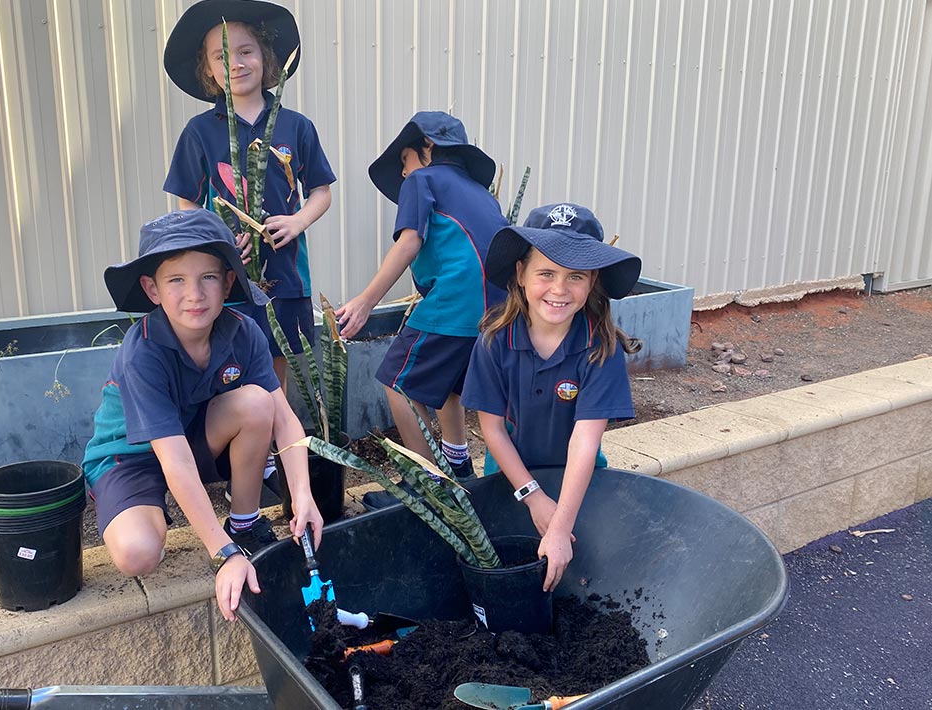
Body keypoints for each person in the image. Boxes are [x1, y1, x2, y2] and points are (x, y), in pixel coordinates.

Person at [82, 209, 323, 621]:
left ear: (229, 281)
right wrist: (222, 556)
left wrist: (303, 492)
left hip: (191, 439)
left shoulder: (242, 331)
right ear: (151, 289)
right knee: (138, 553)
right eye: (176, 279)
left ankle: (244, 524)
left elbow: (284, 419)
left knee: (257, 402)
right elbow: (172, 461)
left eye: (208, 277)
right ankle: (127, 503)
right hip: (131, 457)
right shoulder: (143, 352)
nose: (194, 294)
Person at [461, 203, 642, 593]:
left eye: (575, 276)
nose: (559, 289)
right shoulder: (494, 341)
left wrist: (560, 525)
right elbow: (492, 430)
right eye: (546, 273)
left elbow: (585, 440)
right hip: (510, 477)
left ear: (592, 281)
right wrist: (533, 497)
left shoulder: (601, 348)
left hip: (579, 480)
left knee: (579, 577)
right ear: (521, 274)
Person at [336, 111, 508, 510]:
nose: (403, 170)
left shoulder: (422, 179)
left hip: (456, 300)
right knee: (448, 386)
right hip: (496, 310)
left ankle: (427, 484)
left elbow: (410, 241)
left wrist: (365, 301)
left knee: (397, 382)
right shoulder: (482, 193)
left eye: (404, 159)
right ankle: (458, 465)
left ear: (427, 148)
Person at [162, 0, 335, 394]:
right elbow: (187, 202)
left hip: (287, 276)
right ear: (208, 68)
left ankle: (274, 448)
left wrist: (298, 221)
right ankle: (246, 449)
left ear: (265, 58)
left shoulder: (296, 126)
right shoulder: (199, 131)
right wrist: (216, 239)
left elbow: (321, 192)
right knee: (230, 366)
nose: (236, 63)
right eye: (221, 56)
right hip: (227, 275)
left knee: (278, 364)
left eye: (246, 51)